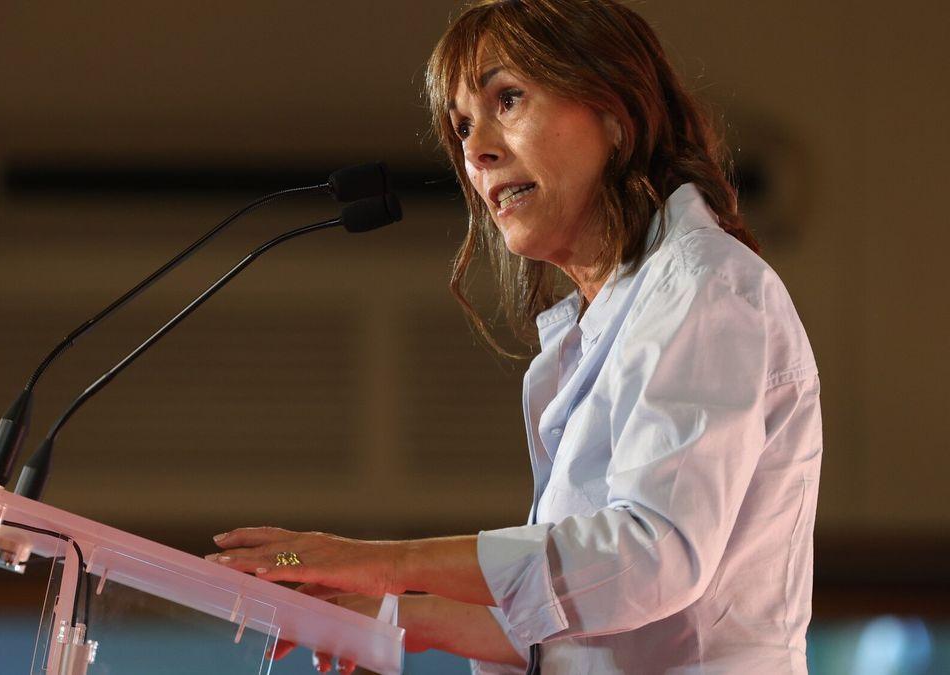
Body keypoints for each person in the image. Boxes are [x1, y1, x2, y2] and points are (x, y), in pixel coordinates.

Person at [205, 1, 822, 673]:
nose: (475, 149)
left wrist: (378, 560)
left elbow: (649, 558)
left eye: (509, 98)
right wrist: (393, 608)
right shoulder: (603, 325)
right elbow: (589, 627)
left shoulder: (708, 287)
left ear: (615, 112)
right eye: (463, 124)